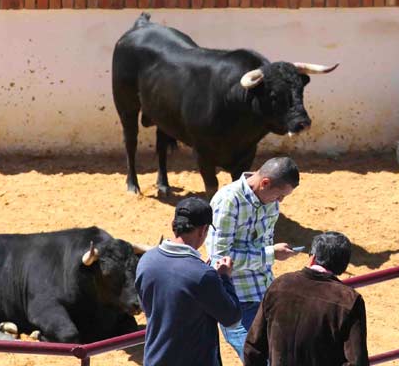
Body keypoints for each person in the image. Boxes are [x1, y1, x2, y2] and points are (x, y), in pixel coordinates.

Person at [205, 156, 302, 359]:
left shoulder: (270, 203)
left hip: (265, 295)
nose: (281, 201)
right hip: (237, 301)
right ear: (265, 183)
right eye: (280, 195)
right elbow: (220, 259)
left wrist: (271, 254)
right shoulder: (228, 201)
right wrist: (270, 254)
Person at [135, 196, 242, 366]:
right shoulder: (203, 275)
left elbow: (150, 304)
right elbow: (232, 319)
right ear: (203, 230)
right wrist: (224, 277)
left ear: (174, 225)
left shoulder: (146, 260)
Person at [243, 232, 369, 366]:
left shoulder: (279, 285)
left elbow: (252, 348)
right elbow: (357, 361)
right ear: (343, 267)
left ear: (312, 257)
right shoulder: (349, 300)